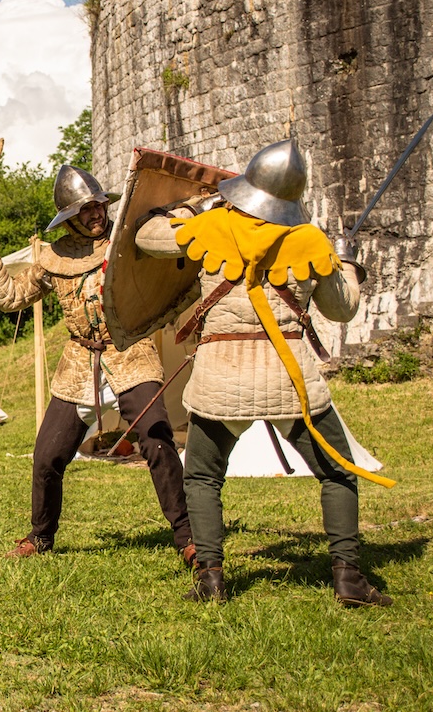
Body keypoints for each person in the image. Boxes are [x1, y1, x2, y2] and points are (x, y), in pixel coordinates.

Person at [133, 138, 395, 606]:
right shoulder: (310, 241)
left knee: (203, 479)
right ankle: (349, 579)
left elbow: (145, 236)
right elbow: (341, 310)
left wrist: (190, 213)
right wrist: (348, 269)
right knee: (337, 474)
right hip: (288, 379)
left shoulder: (212, 227)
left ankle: (211, 580)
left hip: (222, 376)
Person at [0, 165, 195, 565]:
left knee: (157, 440)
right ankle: (41, 536)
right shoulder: (53, 257)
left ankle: (189, 537)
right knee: (47, 457)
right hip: (77, 363)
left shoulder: (127, 240)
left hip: (130, 352)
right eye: (86, 210)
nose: (96, 214)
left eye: (99, 205)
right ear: (69, 218)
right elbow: (11, 297)